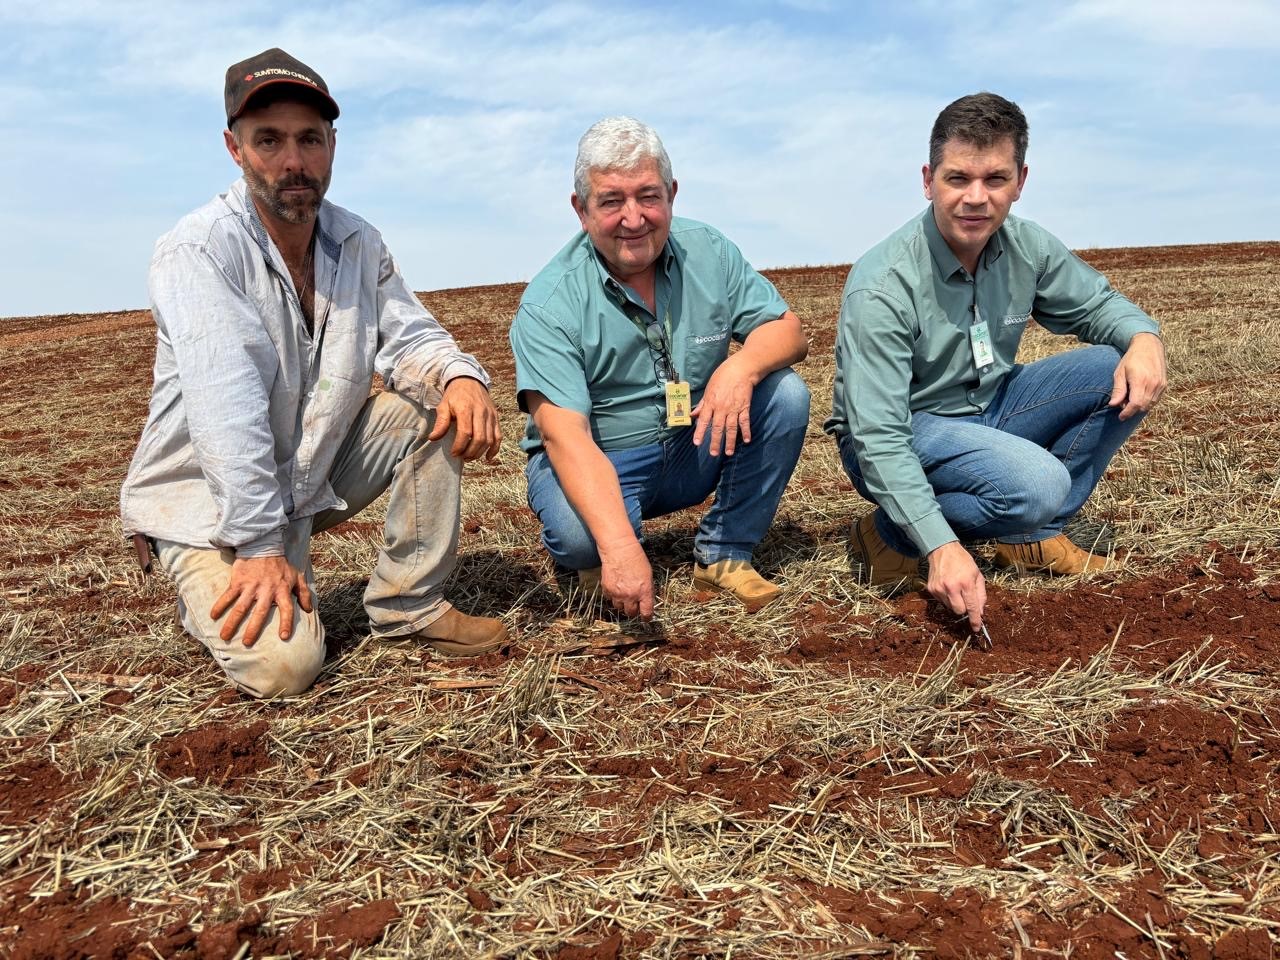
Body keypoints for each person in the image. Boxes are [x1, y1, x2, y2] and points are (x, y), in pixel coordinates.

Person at [120, 48, 508, 698]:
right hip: (208, 500)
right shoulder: (199, 250)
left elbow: (408, 334)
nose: (293, 161)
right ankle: (201, 578)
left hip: (300, 475)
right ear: (235, 149)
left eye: (309, 139)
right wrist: (259, 546)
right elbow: (227, 405)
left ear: (332, 145)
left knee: (433, 405)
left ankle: (409, 606)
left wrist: (459, 378)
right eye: (269, 140)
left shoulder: (357, 242)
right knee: (286, 669)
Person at [825, 92, 1167, 633]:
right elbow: (878, 437)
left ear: (1020, 181)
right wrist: (940, 546)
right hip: (904, 428)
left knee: (1115, 366)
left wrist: (1144, 338)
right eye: (958, 179)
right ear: (928, 180)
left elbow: (1099, 306)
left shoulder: (1028, 246)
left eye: (995, 179)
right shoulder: (883, 285)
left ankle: (1029, 534)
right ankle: (891, 536)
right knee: (1038, 485)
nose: (976, 198)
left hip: (990, 405)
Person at [510, 117, 810, 619]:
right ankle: (602, 548)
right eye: (611, 201)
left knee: (786, 395)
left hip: (694, 442)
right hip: (603, 458)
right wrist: (619, 548)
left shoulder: (708, 249)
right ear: (581, 210)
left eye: (648, 196)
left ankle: (725, 552)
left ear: (671, 194)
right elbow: (565, 437)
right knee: (581, 537)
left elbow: (788, 331)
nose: (634, 218)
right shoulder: (549, 303)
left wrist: (739, 370)